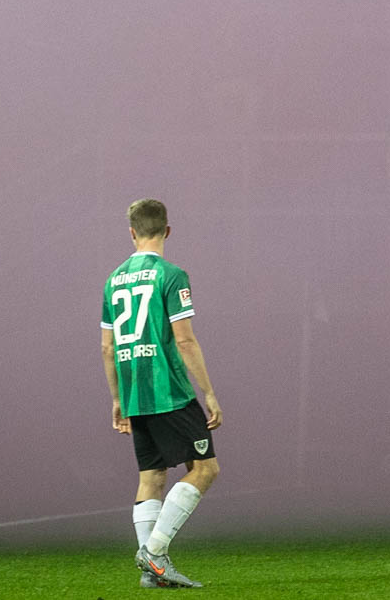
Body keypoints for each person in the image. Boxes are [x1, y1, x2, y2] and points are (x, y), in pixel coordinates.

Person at [103, 198, 224, 588]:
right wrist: (208, 392)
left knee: (151, 476)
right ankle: (154, 554)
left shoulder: (113, 279)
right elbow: (184, 340)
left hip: (136, 392)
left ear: (132, 232)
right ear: (167, 231)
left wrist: (118, 399)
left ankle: (152, 575)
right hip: (168, 390)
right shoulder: (171, 275)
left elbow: (107, 347)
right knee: (205, 469)